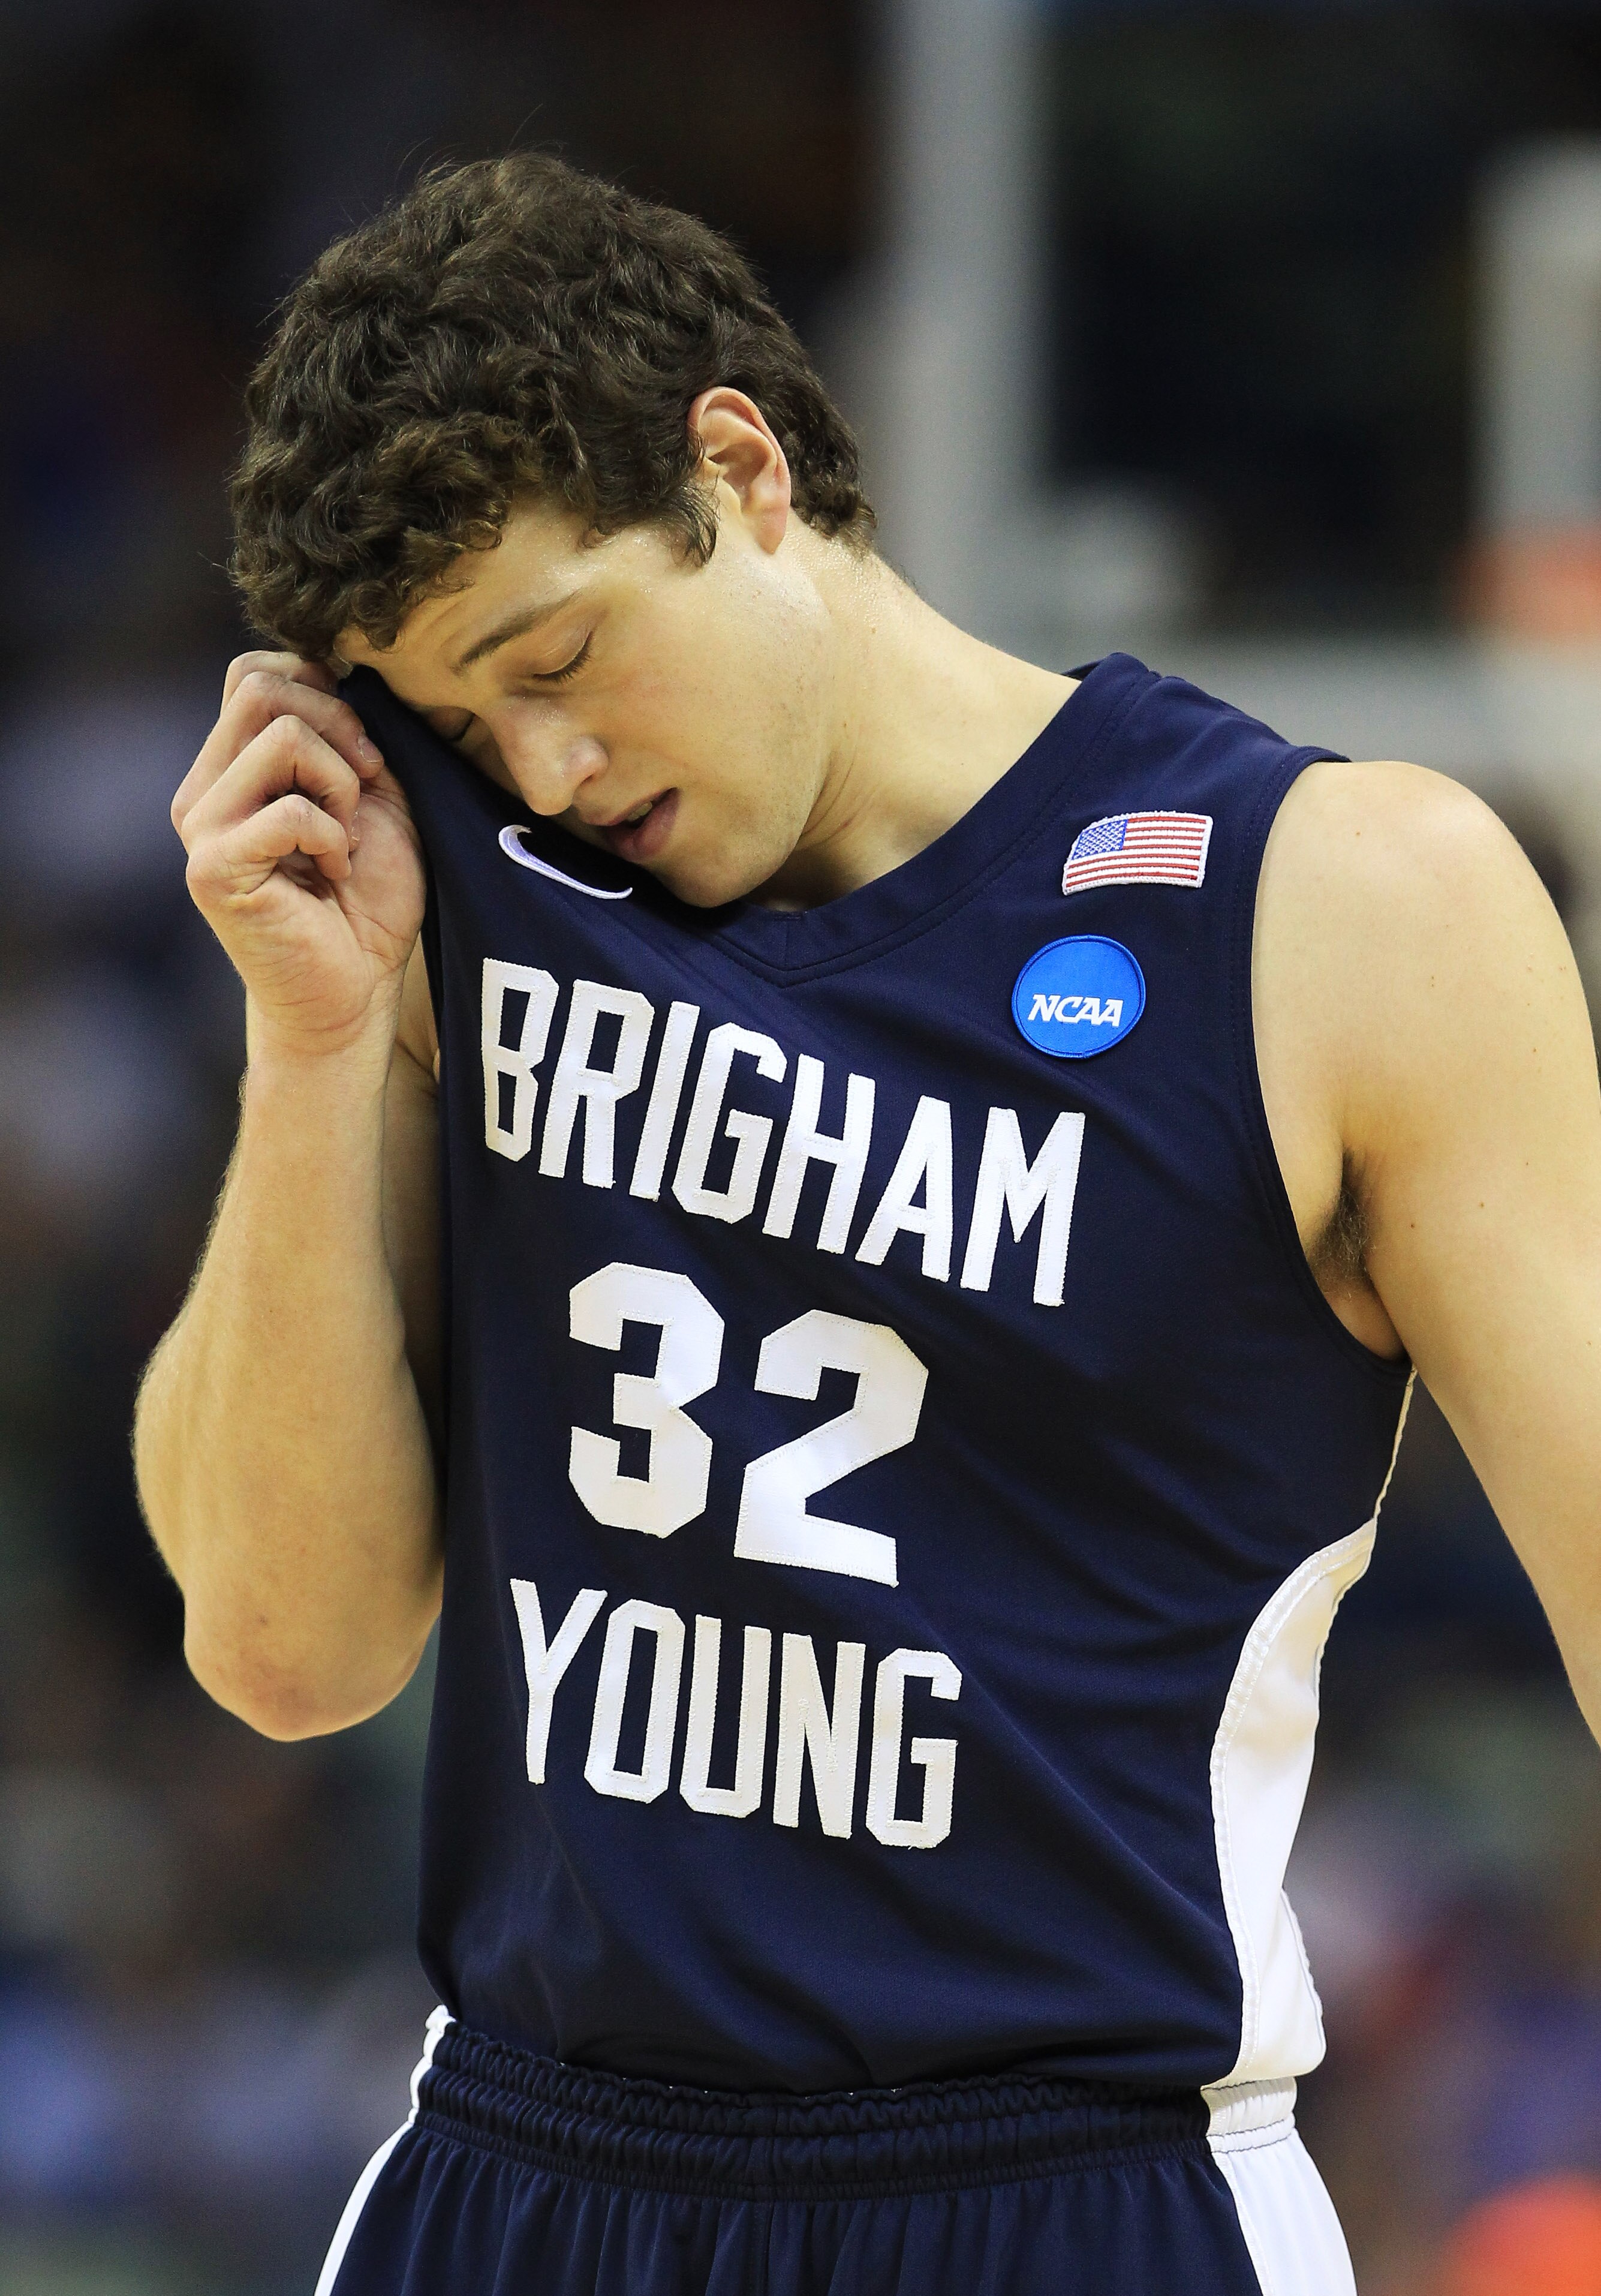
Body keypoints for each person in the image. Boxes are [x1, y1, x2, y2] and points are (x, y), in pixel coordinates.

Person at [134, 154, 1601, 2296]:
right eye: (463, 721)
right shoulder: (461, 901)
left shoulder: (1342, 902)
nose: (539, 767)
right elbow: (285, 1653)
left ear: (736, 467)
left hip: (1079, 2188)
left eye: (557, 655)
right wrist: (311, 1045)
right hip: (526, 2169)